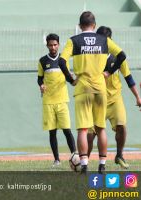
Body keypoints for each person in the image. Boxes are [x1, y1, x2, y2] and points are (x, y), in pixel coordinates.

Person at [58, 11, 127, 174]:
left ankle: (84, 165)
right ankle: (102, 165)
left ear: (80, 26)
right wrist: (109, 72)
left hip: (83, 88)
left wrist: (70, 78)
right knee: (100, 128)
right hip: (100, 88)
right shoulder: (104, 40)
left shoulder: (73, 41)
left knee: (83, 129)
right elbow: (122, 55)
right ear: (94, 25)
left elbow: (61, 61)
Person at [87, 26, 141, 169]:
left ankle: (119, 155)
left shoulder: (118, 57)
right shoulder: (91, 57)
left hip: (115, 99)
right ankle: (83, 161)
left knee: (122, 127)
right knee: (90, 134)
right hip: (97, 100)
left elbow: (128, 78)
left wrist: (138, 97)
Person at [37, 33, 76, 167]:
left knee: (67, 130)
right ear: (47, 45)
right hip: (48, 101)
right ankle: (57, 159)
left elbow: (69, 77)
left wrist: (74, 81)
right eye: (50, 45)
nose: (53, 47)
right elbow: (39, 78)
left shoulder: (63, 60)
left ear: (58, 45)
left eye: (55, 44)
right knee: (52, 132)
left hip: (62, 100)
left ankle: (74, 156)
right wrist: (41, 85)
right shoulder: (42, 61)